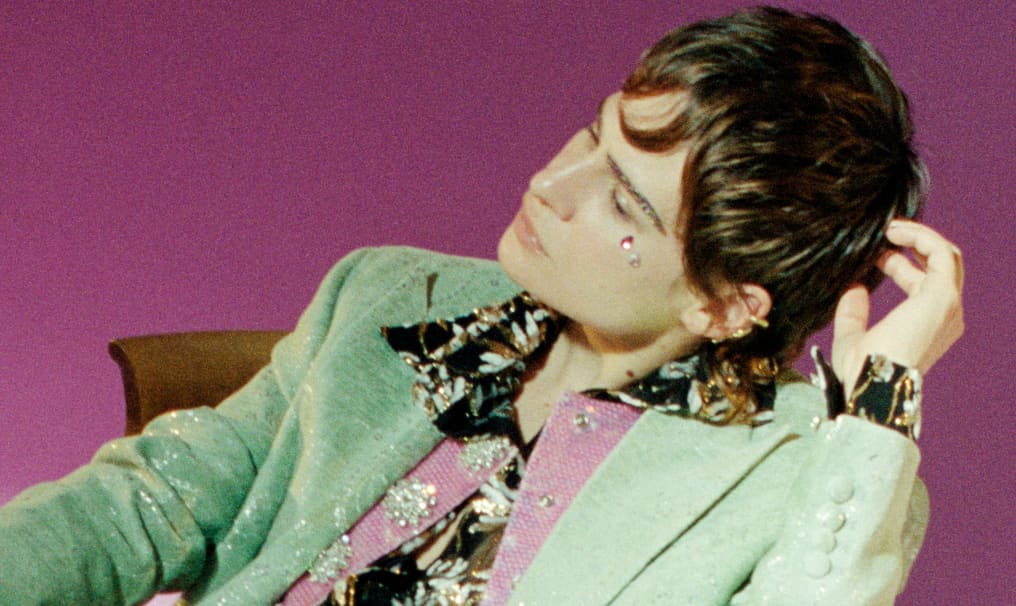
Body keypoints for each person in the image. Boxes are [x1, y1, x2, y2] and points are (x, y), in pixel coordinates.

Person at [0, 7, 963, 605]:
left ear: (723, 304)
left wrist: (879, 406)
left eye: (624, 202)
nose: (552, 183)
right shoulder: (385, 294)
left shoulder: (801, 475)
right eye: (591, 136)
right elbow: (148, 502)